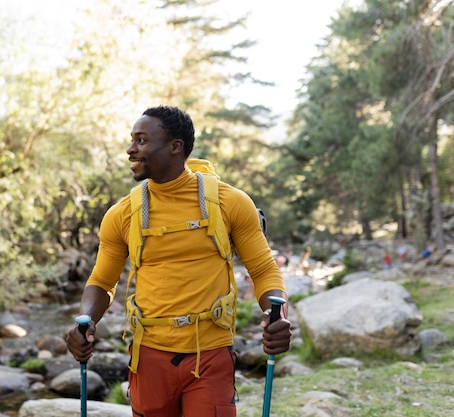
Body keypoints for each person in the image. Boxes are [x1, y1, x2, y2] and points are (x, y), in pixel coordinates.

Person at [65, 105, 291, 417]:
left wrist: (276, 314)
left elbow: (264, 269)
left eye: (142, 140)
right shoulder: (121, 215)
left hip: (211, 356)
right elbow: (103, 282)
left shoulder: (231, 203)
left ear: (176, 147)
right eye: (132, 140)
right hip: (148, 357)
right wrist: (86, 320)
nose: (131, 149)